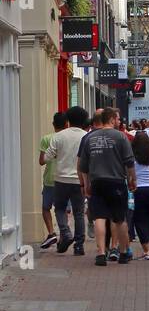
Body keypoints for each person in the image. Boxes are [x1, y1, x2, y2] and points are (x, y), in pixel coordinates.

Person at [77, 108, 136, 267]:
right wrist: (132, 180)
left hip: (97, 182)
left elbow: (84, 166)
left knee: (99, 218)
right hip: (116, 181)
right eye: (117, 118)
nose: (119, 121)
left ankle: (101, 253)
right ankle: (123, 252)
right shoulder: (120, 137)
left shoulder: (90, 138)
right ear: (110, 119)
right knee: (120, 218)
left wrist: (86, 184)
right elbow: (129, 162)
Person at [44, 106, 89, 256]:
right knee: (78, 212)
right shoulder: (86, 136)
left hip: (61, 179)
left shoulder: (59, 136)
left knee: (60, 208)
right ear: (84, 120)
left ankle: (65, 232)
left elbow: (46, 157)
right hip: (79, 179)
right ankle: (79, 245)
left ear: (68, 120)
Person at [38, 112, 68, 249]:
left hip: (49, 179)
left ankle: (51, 233)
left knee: (46, 208)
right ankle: (63, 235)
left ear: (53, 124)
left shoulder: (46, 139)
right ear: (66, 124)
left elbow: (41, 161)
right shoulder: (68, 139)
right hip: (64, 178)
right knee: (62, 209)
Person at [131, 132, 149, 259]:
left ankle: (146, 249)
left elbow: (130, 174)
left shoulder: (132, 157)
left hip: (139, 190)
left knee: (140, 219)